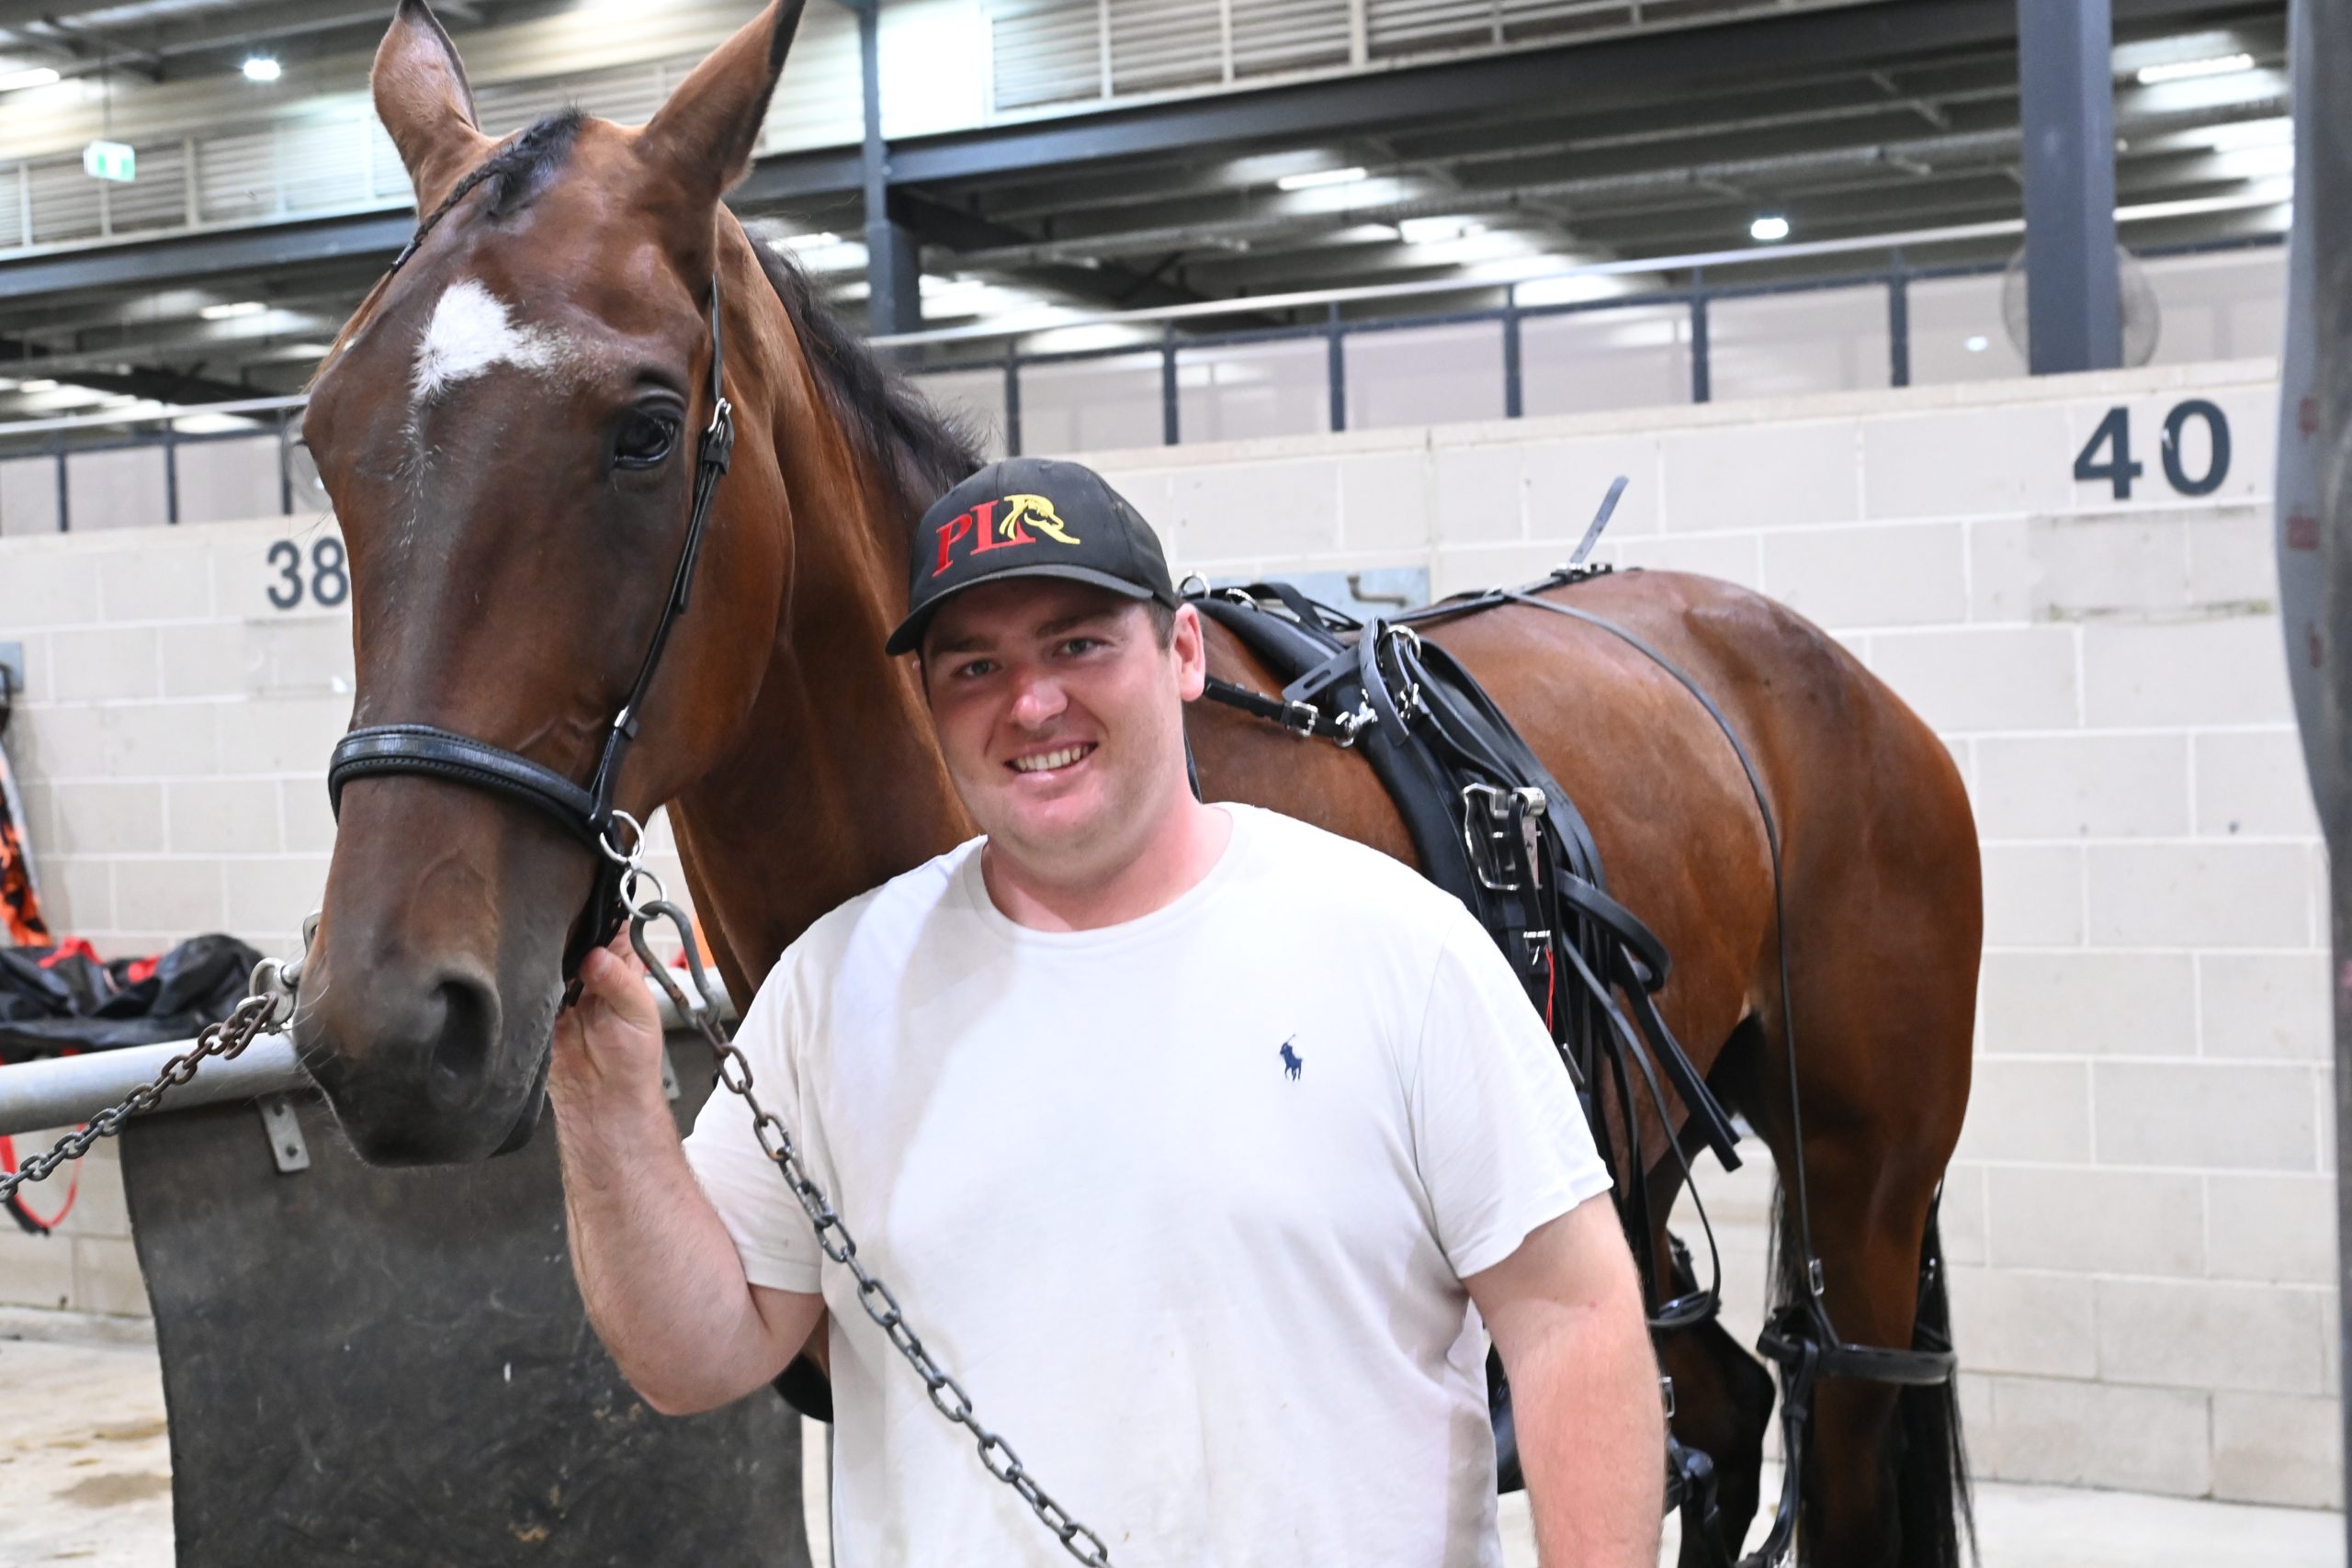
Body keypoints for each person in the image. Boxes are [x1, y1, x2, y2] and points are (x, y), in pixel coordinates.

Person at [548, 457, 1664, 1566]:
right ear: (930, 703)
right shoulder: (835, 986)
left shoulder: (1394, 947)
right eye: (975, 666)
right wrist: (606, 1107)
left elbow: (1572, 1317)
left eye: (1078, 644)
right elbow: (695, 1357)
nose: (1031, 703)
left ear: (1181, 652)